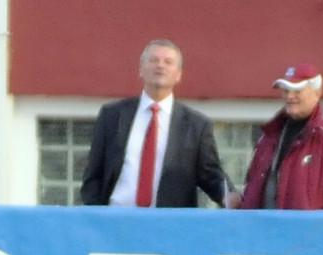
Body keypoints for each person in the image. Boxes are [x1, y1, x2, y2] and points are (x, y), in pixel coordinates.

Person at [81, 39, 237, 207]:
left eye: (168, 62)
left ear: (178, 75)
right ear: (141, 69)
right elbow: (93, 174)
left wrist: (231, 197)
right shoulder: (113, 116)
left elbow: (211, 175)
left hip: (168, 225)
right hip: (116, 221)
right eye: (154, 60)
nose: (160, 66)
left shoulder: (196, 126)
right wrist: (95, 215)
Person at [239, 63, 323, 210]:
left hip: (310, 233)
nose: (290, 96)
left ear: (318, 92)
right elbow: (250, 192)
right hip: (263, 232)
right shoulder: (267, 139)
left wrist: (317, 231)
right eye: (286, 90)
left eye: (297, 91)